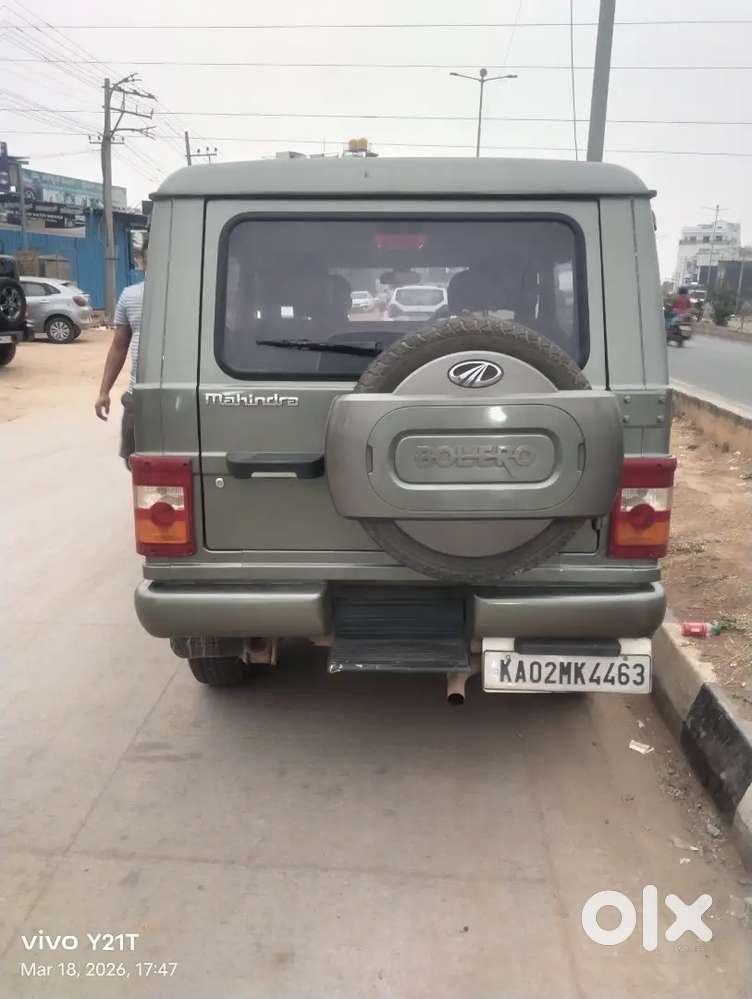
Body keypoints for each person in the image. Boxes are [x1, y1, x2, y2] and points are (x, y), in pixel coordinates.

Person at [94, 264, 145, 468]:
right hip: (138, 396)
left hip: (184, 396)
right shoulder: (130, 296)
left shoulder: (192, 297)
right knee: (135, 461)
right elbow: (119, 346)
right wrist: (104, 391)